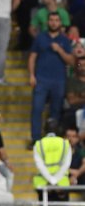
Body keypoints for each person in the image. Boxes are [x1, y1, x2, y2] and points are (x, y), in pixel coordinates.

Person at [29, 12, 74, 147]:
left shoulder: (65, 40)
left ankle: (52, 139)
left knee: (56, 110)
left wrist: (60, 50)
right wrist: (31, 75)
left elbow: (71, 61)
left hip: (59, 81)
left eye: (56, 20)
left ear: (60, 23)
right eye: (51, 20)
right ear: (48, 22)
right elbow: (32, 57)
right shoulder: (40, 38)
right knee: (37, 109)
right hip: (41, 79)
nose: (54, 23)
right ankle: (36, 139)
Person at [33, 119, 71, 206]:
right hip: (62, 186)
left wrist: (51, 181)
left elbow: (40, 166)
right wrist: (56, 181)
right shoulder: (65, 144)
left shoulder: (38, 145)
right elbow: (66, 164)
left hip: (45, 186)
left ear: (44, 130)